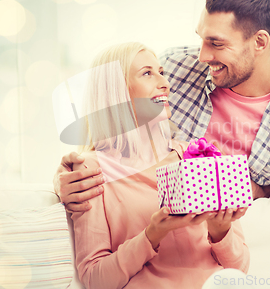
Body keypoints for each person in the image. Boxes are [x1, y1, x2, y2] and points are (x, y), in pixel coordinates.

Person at [54, 0, 270, 212]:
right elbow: (113, 134)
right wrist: (68, 179)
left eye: (216, 43)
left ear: (259, 42)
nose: (203, 55)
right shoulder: (173, 68)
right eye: (201, 38)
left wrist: (221, 186)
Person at [70, 42, 249, 289]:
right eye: (147, 73)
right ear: (116, 92)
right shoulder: (91, 170)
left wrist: (220, 230)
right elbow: (95, 279)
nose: (165, 83)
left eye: (161, 72)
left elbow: (240, 268)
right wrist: (151, 235)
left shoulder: (196, 154)